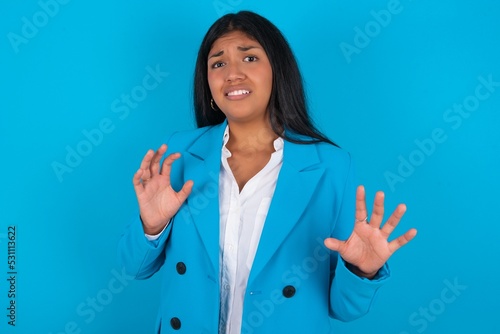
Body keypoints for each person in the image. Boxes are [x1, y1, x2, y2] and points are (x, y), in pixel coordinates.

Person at [118, 10, 417, 334]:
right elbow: (133, 268)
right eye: (218, 63)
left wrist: (362, 272)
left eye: (249, 58)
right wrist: (152, 225)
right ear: (208, 85)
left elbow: (344, 309)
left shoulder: (331, 166)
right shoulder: (180, 154)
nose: (232, 73)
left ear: (278, 71)